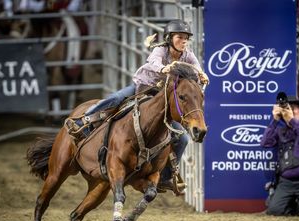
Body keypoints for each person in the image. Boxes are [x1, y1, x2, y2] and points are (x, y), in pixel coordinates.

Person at [66, 19, 209, 194]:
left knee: (183, 139)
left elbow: (196, 68)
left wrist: (202, 76)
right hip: (143, 88)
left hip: (161, 99)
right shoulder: (160, 50)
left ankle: (166, 177)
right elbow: (153, 63)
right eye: (180, 37)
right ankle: (84, 120)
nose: (184, 41)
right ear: (170, 38)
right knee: (116, 98)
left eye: (186, 38)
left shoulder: (188, 54)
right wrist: (163, 68)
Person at [260, 95, 299, 216]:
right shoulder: (281, 130)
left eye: (295, 108)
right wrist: (275, 120)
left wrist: (293, 122)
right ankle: (292, 204)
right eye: (289, 108)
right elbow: (265, 143)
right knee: (274, 211)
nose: (292, 111)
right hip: (286, 182)